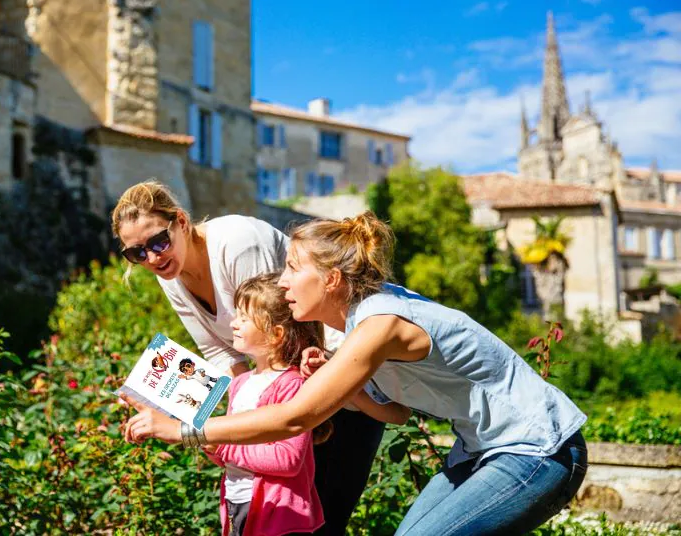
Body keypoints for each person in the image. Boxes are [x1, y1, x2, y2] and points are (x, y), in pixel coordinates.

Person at [121, 211, 590, 536]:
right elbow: (398, 414)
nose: (281, 281)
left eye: (291, 268)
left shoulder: (378, 324)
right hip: (479, 452)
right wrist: (350, 391)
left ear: (330, 280)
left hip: (539, 449)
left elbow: (292, 419)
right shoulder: (347, 332)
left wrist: (182, 429)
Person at [111, 182, 388, 534]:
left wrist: (224, 431)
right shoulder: (171, 273)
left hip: (339, 381)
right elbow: (220, 351)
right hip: (288, 389)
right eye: (137, 254)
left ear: (180, 221)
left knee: (322, 520)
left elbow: (281, 329)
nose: (152, 258)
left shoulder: (236, 241)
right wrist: (233, 409)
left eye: (158, 242)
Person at [205, 272, 410, 536]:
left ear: (276, 334)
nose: (233, 323)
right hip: (238, 504)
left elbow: (287, 459)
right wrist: (213, 449)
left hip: (278, 514)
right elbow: (233, 455)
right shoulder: (239, 383)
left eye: (244, 318)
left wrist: (224, 447)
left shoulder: (292, 384)